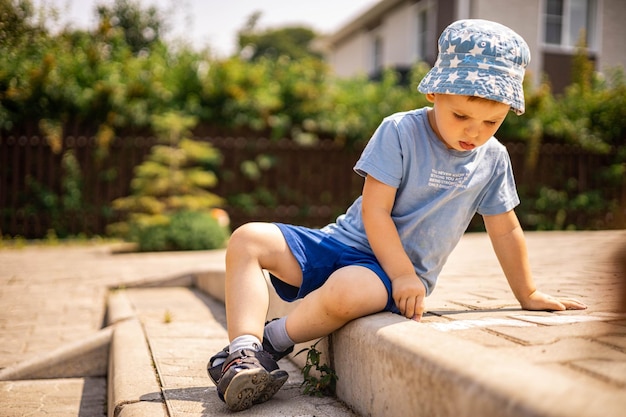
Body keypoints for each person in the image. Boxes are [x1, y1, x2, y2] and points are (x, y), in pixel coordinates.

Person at [207, 19, 588, 411]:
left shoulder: (493, 160)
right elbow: (375, 210)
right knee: (248, 238)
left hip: (388, 276)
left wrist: (527, 293)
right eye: (461, 116)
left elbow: (506, 231)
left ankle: (274, 341)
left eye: (492, 122)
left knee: (350, 290)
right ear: (434, 92)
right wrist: (403, 274)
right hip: (344, 241)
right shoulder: (401, 131)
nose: (474, 132)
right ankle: (243, 352)